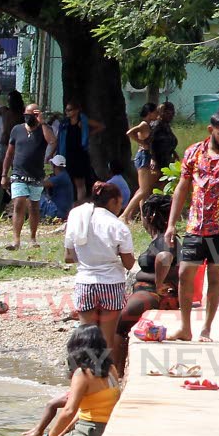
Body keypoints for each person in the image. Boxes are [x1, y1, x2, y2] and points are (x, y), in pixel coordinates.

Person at [165, 110, 219, 342]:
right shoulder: (194, 152)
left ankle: (206, 328)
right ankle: (185, 327)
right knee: (185, 273)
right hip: (195, 225)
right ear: (211, 130)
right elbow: (182, 188)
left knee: (215, 276)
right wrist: (171, 224)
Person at [65, 182, 135, 351]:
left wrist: (88, 258)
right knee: (106, 341)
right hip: (111, 284)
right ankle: (105, 376)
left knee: (86, 339)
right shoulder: (118, 226)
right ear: (112, 201)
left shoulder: (77, 220)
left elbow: (68, 257)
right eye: (120, 203)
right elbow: (129, 264)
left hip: (85, 283)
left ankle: (83, 373)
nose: (121, 207)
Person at [37, 324, 120, 436]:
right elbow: (82, 412)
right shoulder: (111, 369)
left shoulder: (82, 374)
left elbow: (69, 411)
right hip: (106, 428)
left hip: (92, 433)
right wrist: (61, 434)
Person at [117, 195, 178, 372]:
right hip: (147, 291)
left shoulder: (165, 240)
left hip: (153, 294)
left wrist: (159, 284)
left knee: (119, 322)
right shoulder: (163, 238)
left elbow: (165, 258)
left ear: (149, 216)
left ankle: (117, 371)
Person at [3, 103, 55, 249]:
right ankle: (16, 240)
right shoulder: (17, 130)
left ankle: (32, 238)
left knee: (34, 206)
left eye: (33, 114)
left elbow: (52, 141)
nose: (29, 117)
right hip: (18, 173)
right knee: (19, 203)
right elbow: (9, 153)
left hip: (36, 175)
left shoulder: (44, 130)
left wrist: (42, 122)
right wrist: (4, 174)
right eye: (27, 114)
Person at [54, 101, 105, 204]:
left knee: (80, 183)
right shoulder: (65, 123)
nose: (67, 112)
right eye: (66, 110)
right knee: (66, 180)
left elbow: (101, 126)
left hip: (79, 155)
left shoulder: (83, 121)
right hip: (66, 155)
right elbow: (58, 139)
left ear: (76, 110)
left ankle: (80, 204)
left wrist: (88, 133)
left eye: (69, 110)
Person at [120, 103, 160, 222]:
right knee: (143, 190)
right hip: (143, 156)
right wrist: (142, 143)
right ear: (149, 113)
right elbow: (129, 132)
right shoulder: (143, 124)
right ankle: (124, 215)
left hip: (146, 156)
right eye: (155, 112)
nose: (157, 114)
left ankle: (142, 216)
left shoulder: (148, 125)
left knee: (143, 189)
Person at [41, 155, 74, 221]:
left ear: (54, 165)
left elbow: (43, 184)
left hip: (57, 211)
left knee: (35, 195)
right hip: (63, 211)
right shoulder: (64, 175)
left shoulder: (60, 177)